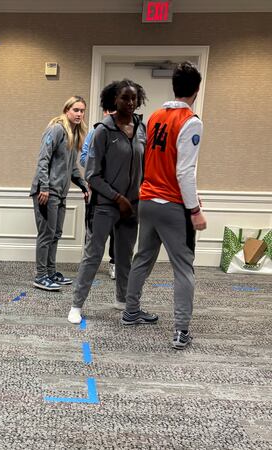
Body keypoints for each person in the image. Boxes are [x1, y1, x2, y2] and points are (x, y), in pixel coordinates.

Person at [120, 62, 206, 350]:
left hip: (147, 201)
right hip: (171, 205)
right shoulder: (191, 121)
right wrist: (194, 210)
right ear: (196, 89)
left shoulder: (155, 116)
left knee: (143, 257)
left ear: (174, 86)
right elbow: (185, 171)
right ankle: (181, 331)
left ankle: (130, 312)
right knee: (184, 268)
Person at [68, 80, 147, 323]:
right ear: (114, 100)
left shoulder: (141, 128)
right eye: (125, 98)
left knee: (125, 256)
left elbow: (145, 166)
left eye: (134, 98)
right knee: (93, 255)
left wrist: (136, 196)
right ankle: (76, 305)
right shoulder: (103, 130)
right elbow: (92, 174)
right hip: (104, 205)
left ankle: (122, 299)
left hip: (132, 205)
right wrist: (118, 198)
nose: (130, 102)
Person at [30, 96, 89, 291]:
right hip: (47, 192)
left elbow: (72, 168)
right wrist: (44, 188)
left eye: (82, 110)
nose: (79, 114)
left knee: (55, 234)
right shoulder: (56, 129)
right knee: (46, 234)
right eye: (76, 110)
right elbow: (43, 160)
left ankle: (50, 272)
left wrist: (83, 186)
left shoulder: (73, 133)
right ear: (67, 110)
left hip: (60, 194)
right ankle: (40, 276)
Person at [80, 109, 117, 281]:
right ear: (104, 112)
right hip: (97, 191)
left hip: (118, 192)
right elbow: (83, 158)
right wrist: (95, 171)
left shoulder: (126, 132)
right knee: (93, 229)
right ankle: (89, 264)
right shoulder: (95, 132)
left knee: (117, 232)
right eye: (110, 110)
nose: (113, 114)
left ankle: (114, 263)